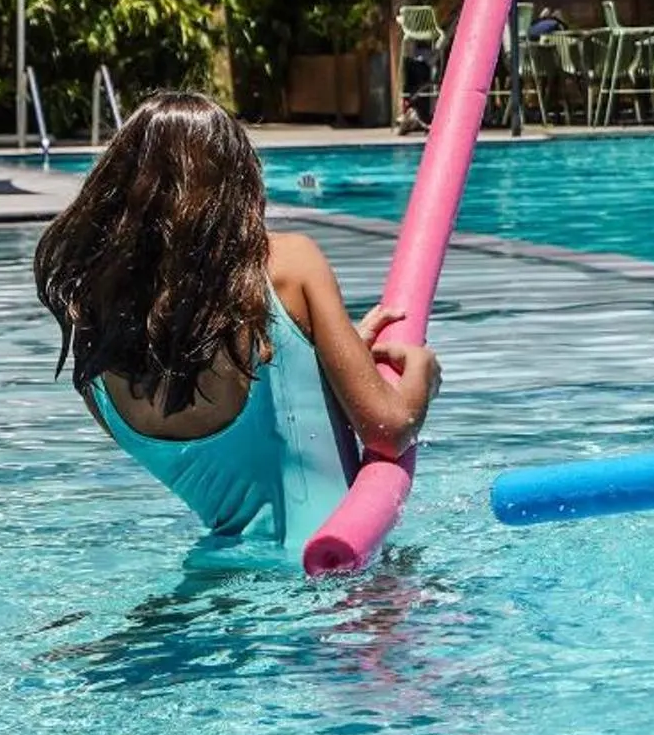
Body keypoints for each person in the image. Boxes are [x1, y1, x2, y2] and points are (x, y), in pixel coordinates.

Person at [35, 93, 439, 546]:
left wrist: (332, 356)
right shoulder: (289, 265)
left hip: (214, 584)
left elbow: (239, 439)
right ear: (237, 180)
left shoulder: (97, 366)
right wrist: (422, 376)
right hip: (330, 583)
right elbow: (388, 430)